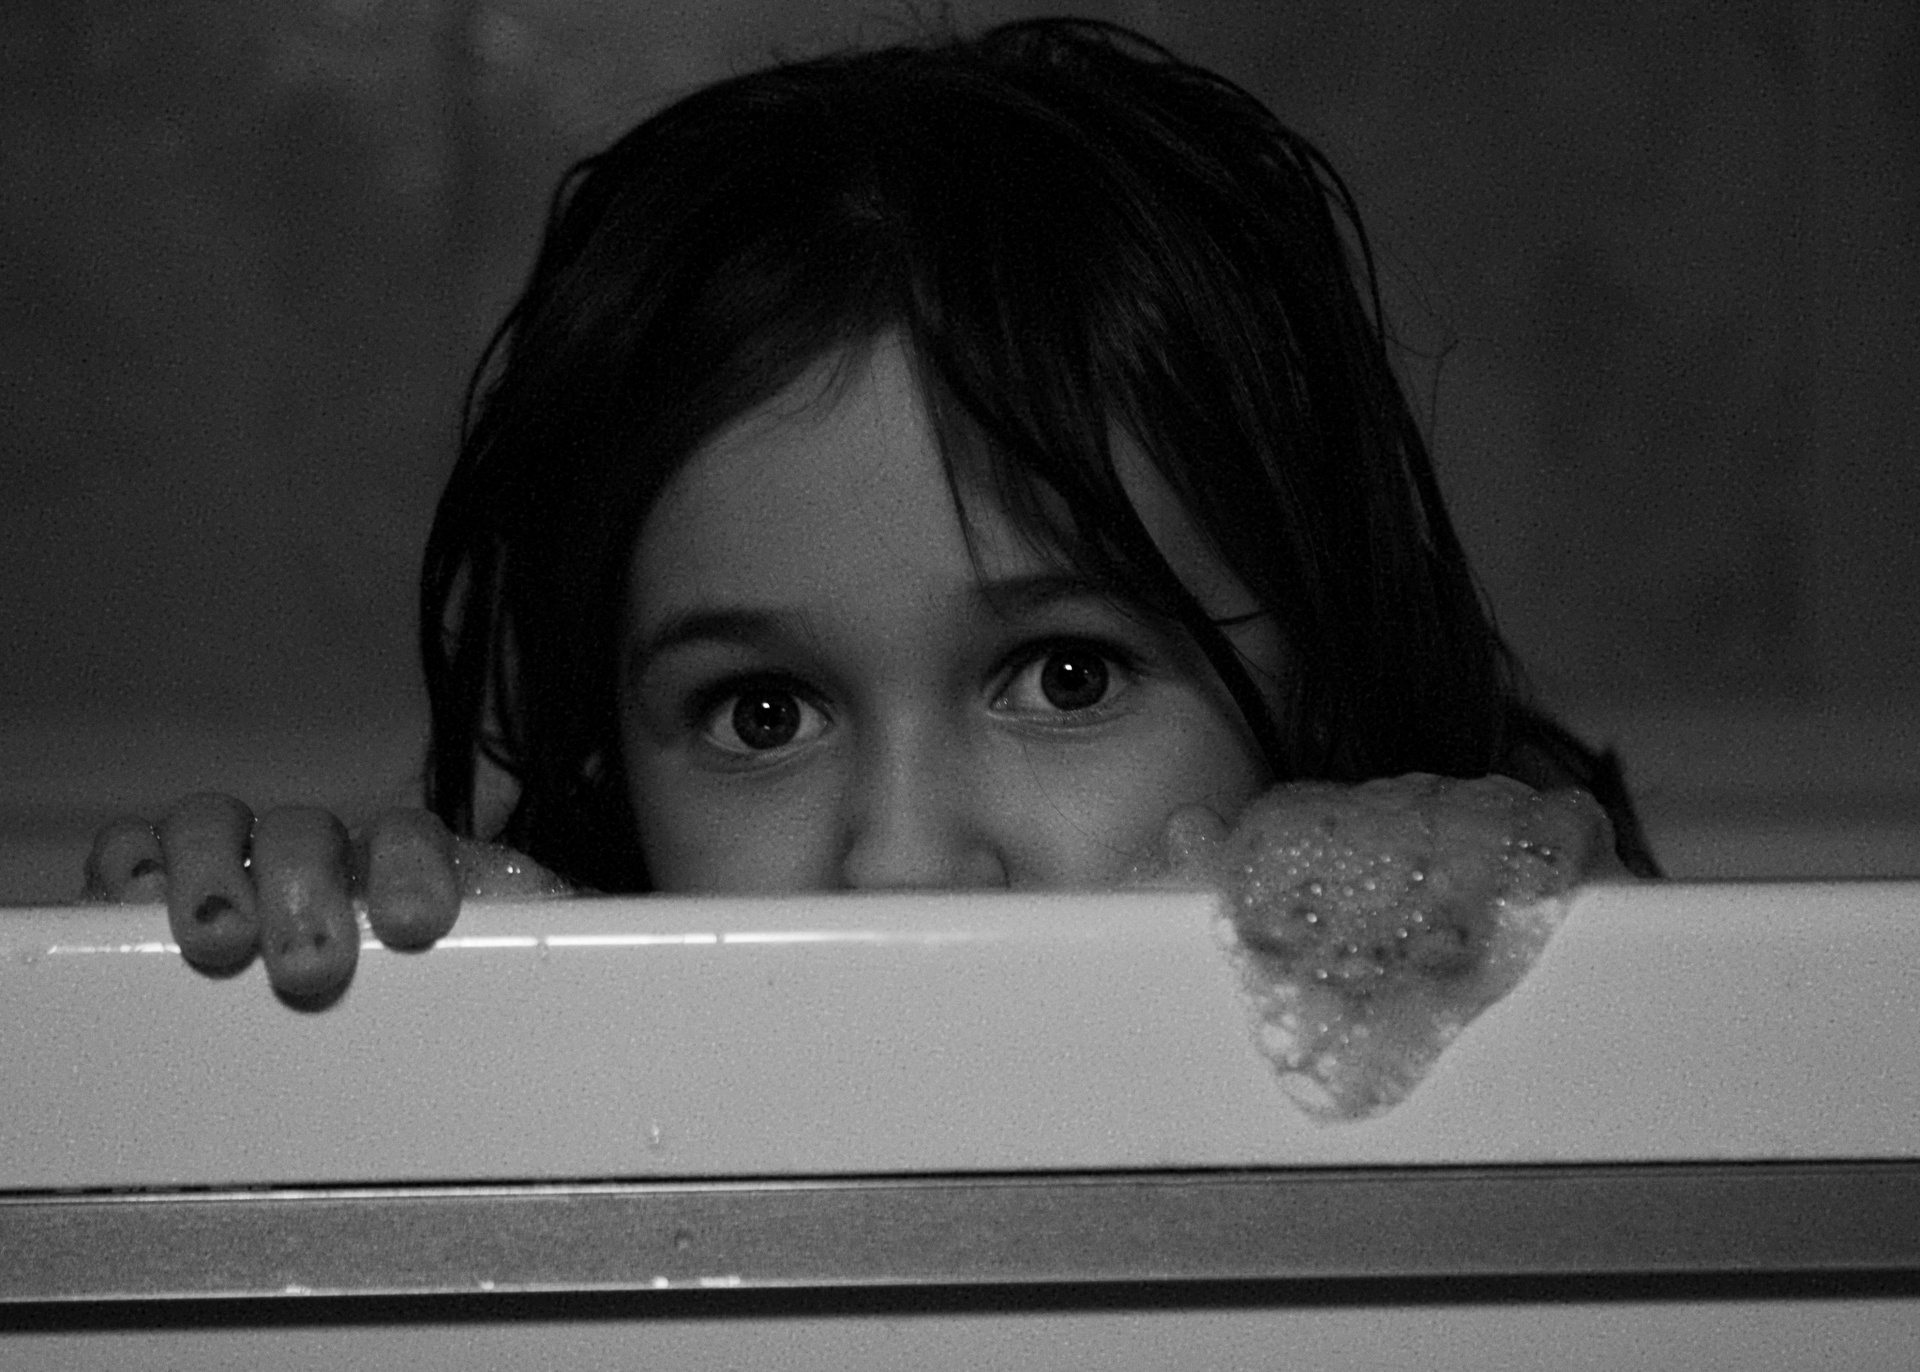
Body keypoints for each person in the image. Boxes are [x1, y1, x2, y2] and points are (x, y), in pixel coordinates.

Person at [84, 17, 1659, 1005]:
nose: (903, 861)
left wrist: (1600, 993)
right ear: (610, 774)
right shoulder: (590, 1035)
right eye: (761, 711)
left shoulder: (1458, 929)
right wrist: (272, 991)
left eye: (1066, 675)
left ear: (1318, 681)